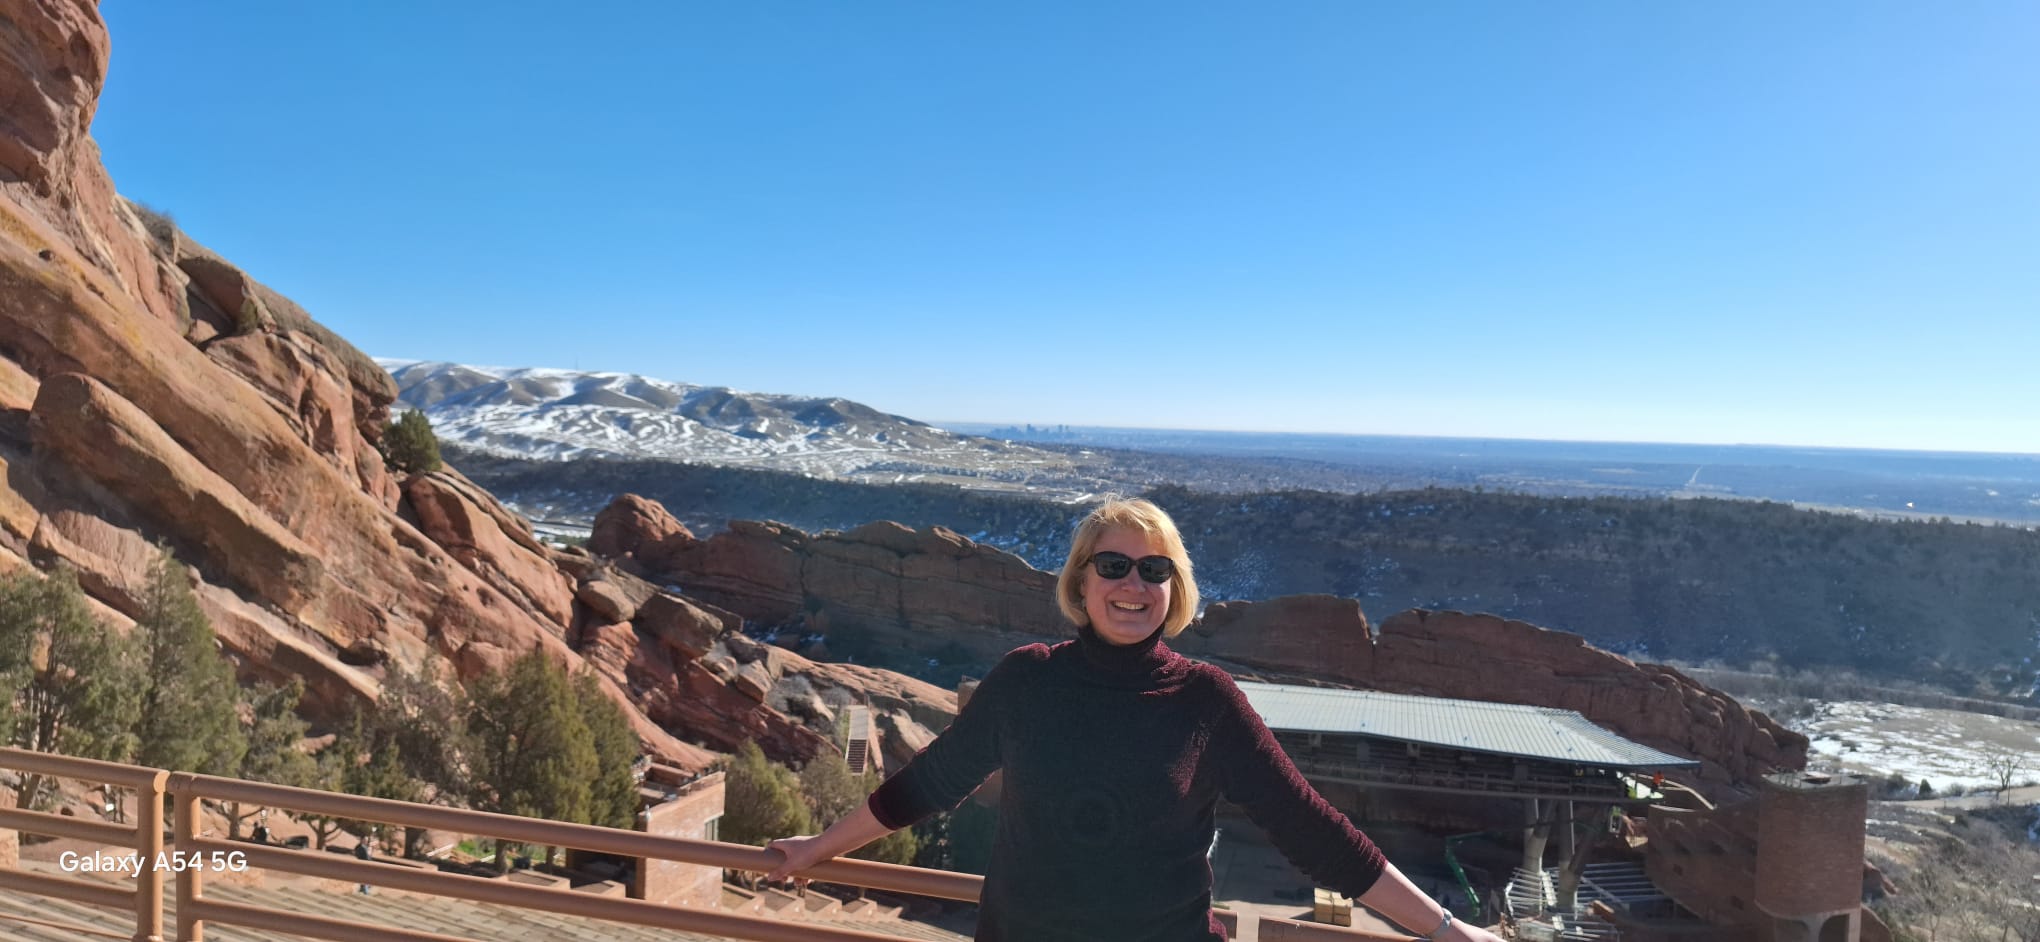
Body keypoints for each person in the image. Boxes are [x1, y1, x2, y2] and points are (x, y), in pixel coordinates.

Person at [768, 498, 1508, 942]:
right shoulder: (1029, 679)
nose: (1133, 584)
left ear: (1174, 588)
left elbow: (1312, 830)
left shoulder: (1206, 702)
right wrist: (818, 846)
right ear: (1081, 581)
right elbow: (929, 783)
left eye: (1154, 570)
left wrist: (1445, 929)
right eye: (1114, 565)